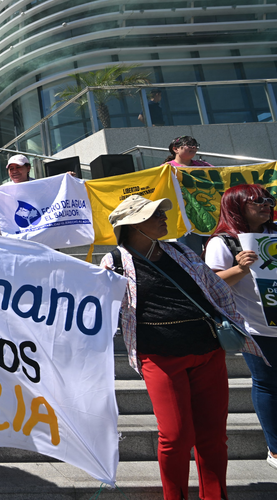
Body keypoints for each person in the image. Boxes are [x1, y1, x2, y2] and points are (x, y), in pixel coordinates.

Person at [101, 194, 263, 500]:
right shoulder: (115, 262)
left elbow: (214, 289)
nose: (163, 217)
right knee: (175, 436)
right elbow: (103, 308)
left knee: (213, 436)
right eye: (154, 215)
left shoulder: (181, 252)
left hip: (207, 352)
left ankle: (215, 496)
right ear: (133, 225)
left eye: (161, 213)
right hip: (159, 358)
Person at [204, 184, 277, 471]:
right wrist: (240, 268)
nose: (265, 205)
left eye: (268, 200)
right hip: (257, 328)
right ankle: (275, 449)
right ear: (236, 205)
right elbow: (210, 286)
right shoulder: (223, 243)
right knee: (268, 386)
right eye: (256, 201)